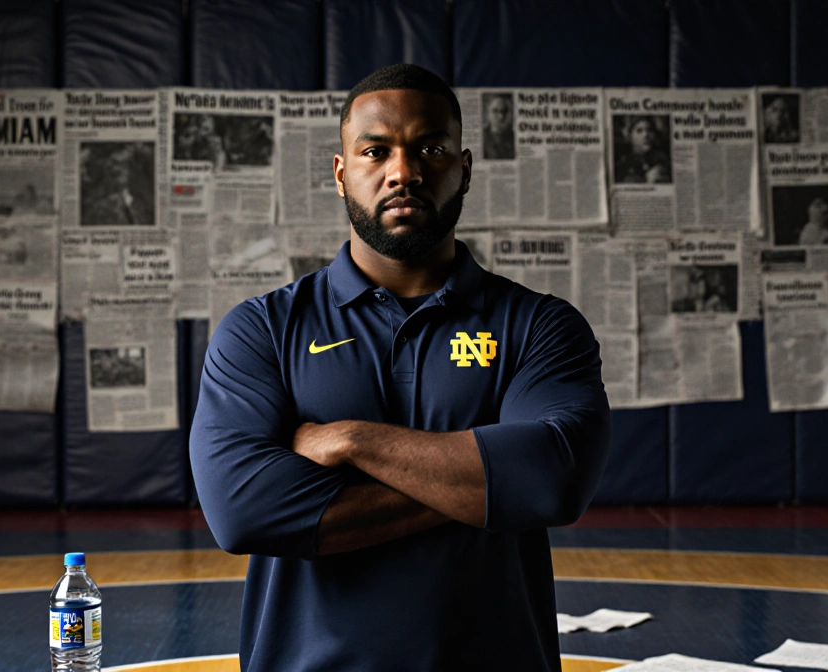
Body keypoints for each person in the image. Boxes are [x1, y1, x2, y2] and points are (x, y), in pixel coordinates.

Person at [190, 63, 611, 671]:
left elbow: (553, 479)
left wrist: (351, 441)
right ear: (341, 174)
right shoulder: (262, 328)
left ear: (463, 170)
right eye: (375, 150)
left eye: (430, 149)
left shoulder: (540, 325)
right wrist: (488, 482)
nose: (403, 172)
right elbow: (242, 510)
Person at [614, 115, 671, 183]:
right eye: (639, 131)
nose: (646, 135)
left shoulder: (663, 160)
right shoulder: (623, 165)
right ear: (630, 136)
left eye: (649, 130)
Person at [482, 93, 515, 160]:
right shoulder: (482, 136)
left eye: (504, 111)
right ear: (487, 114)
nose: (501, 116)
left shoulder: (513, 137)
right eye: (495, 111)